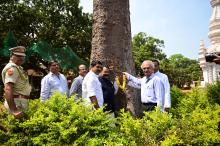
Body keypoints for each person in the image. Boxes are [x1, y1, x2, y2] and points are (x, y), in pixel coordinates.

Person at [1, 46, 31, 118]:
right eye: (17, 55)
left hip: (20, 102)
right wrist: (14, 110)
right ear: (11, 56)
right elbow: (8, 88)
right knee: (13, 128)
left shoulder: (18, 68)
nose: (21, 58)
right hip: (16, 103)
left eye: (22, 56)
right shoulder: (13, 68)